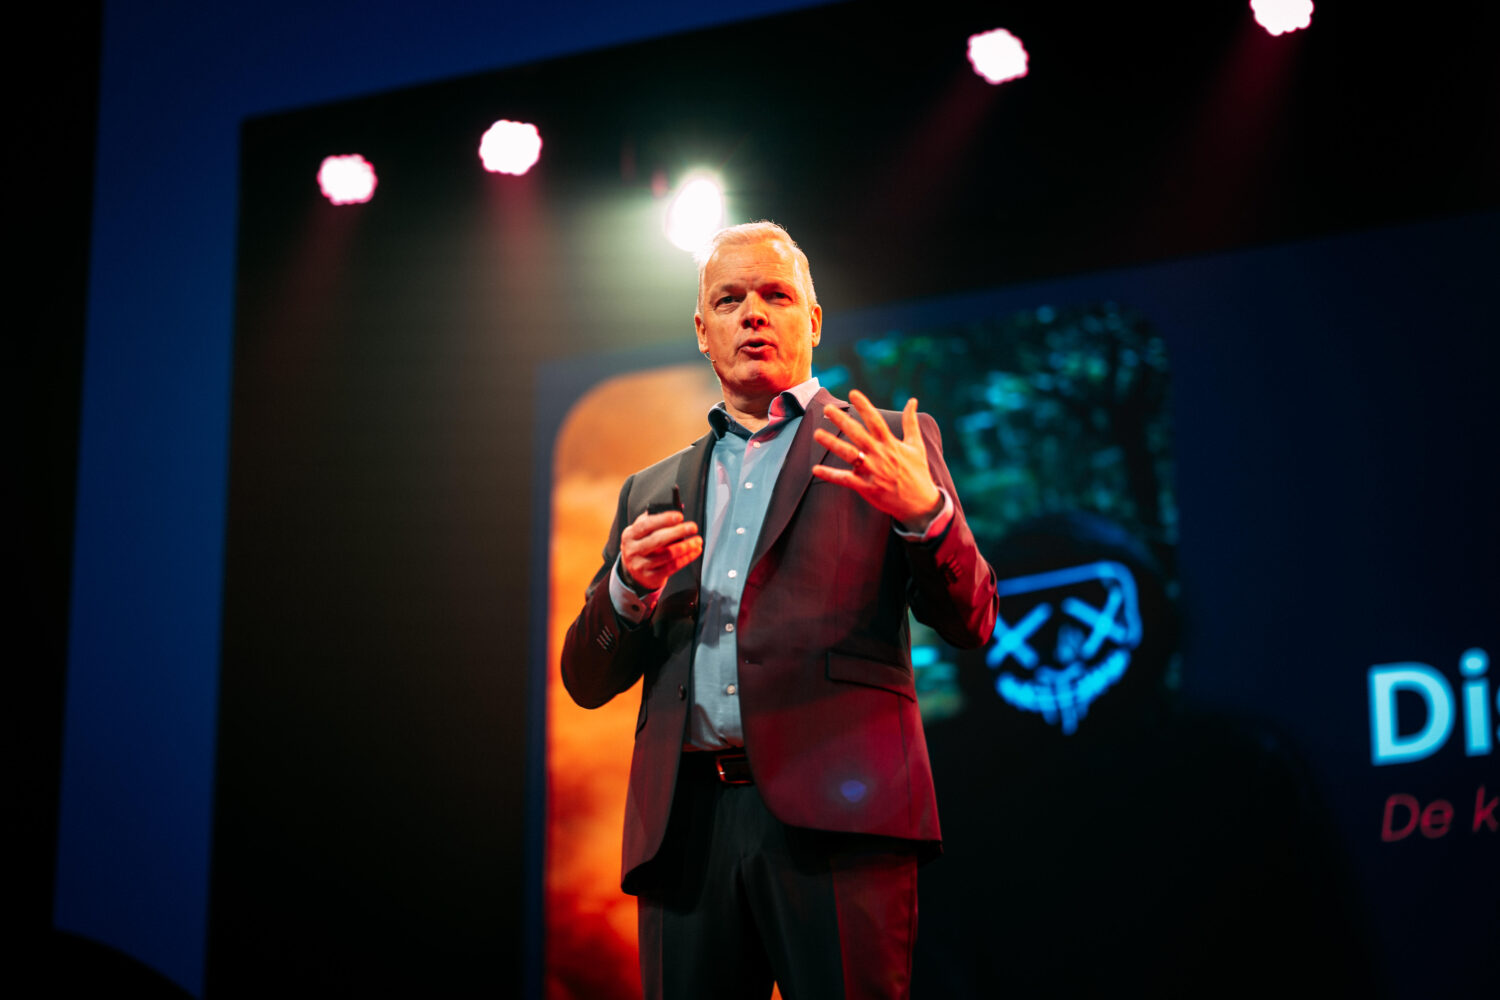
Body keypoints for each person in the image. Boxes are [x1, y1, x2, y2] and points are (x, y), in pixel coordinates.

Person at [560, 221, 998, 1000]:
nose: (752, 314)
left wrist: (926, 515)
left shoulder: (884, 444)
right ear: (703, 331)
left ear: (813, 320)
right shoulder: (650, 488)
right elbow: (586, 679)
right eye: (729, 300)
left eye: (775, 295)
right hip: (685, 831)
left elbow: (972, 620)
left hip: (838, 824)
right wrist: (626, 588)